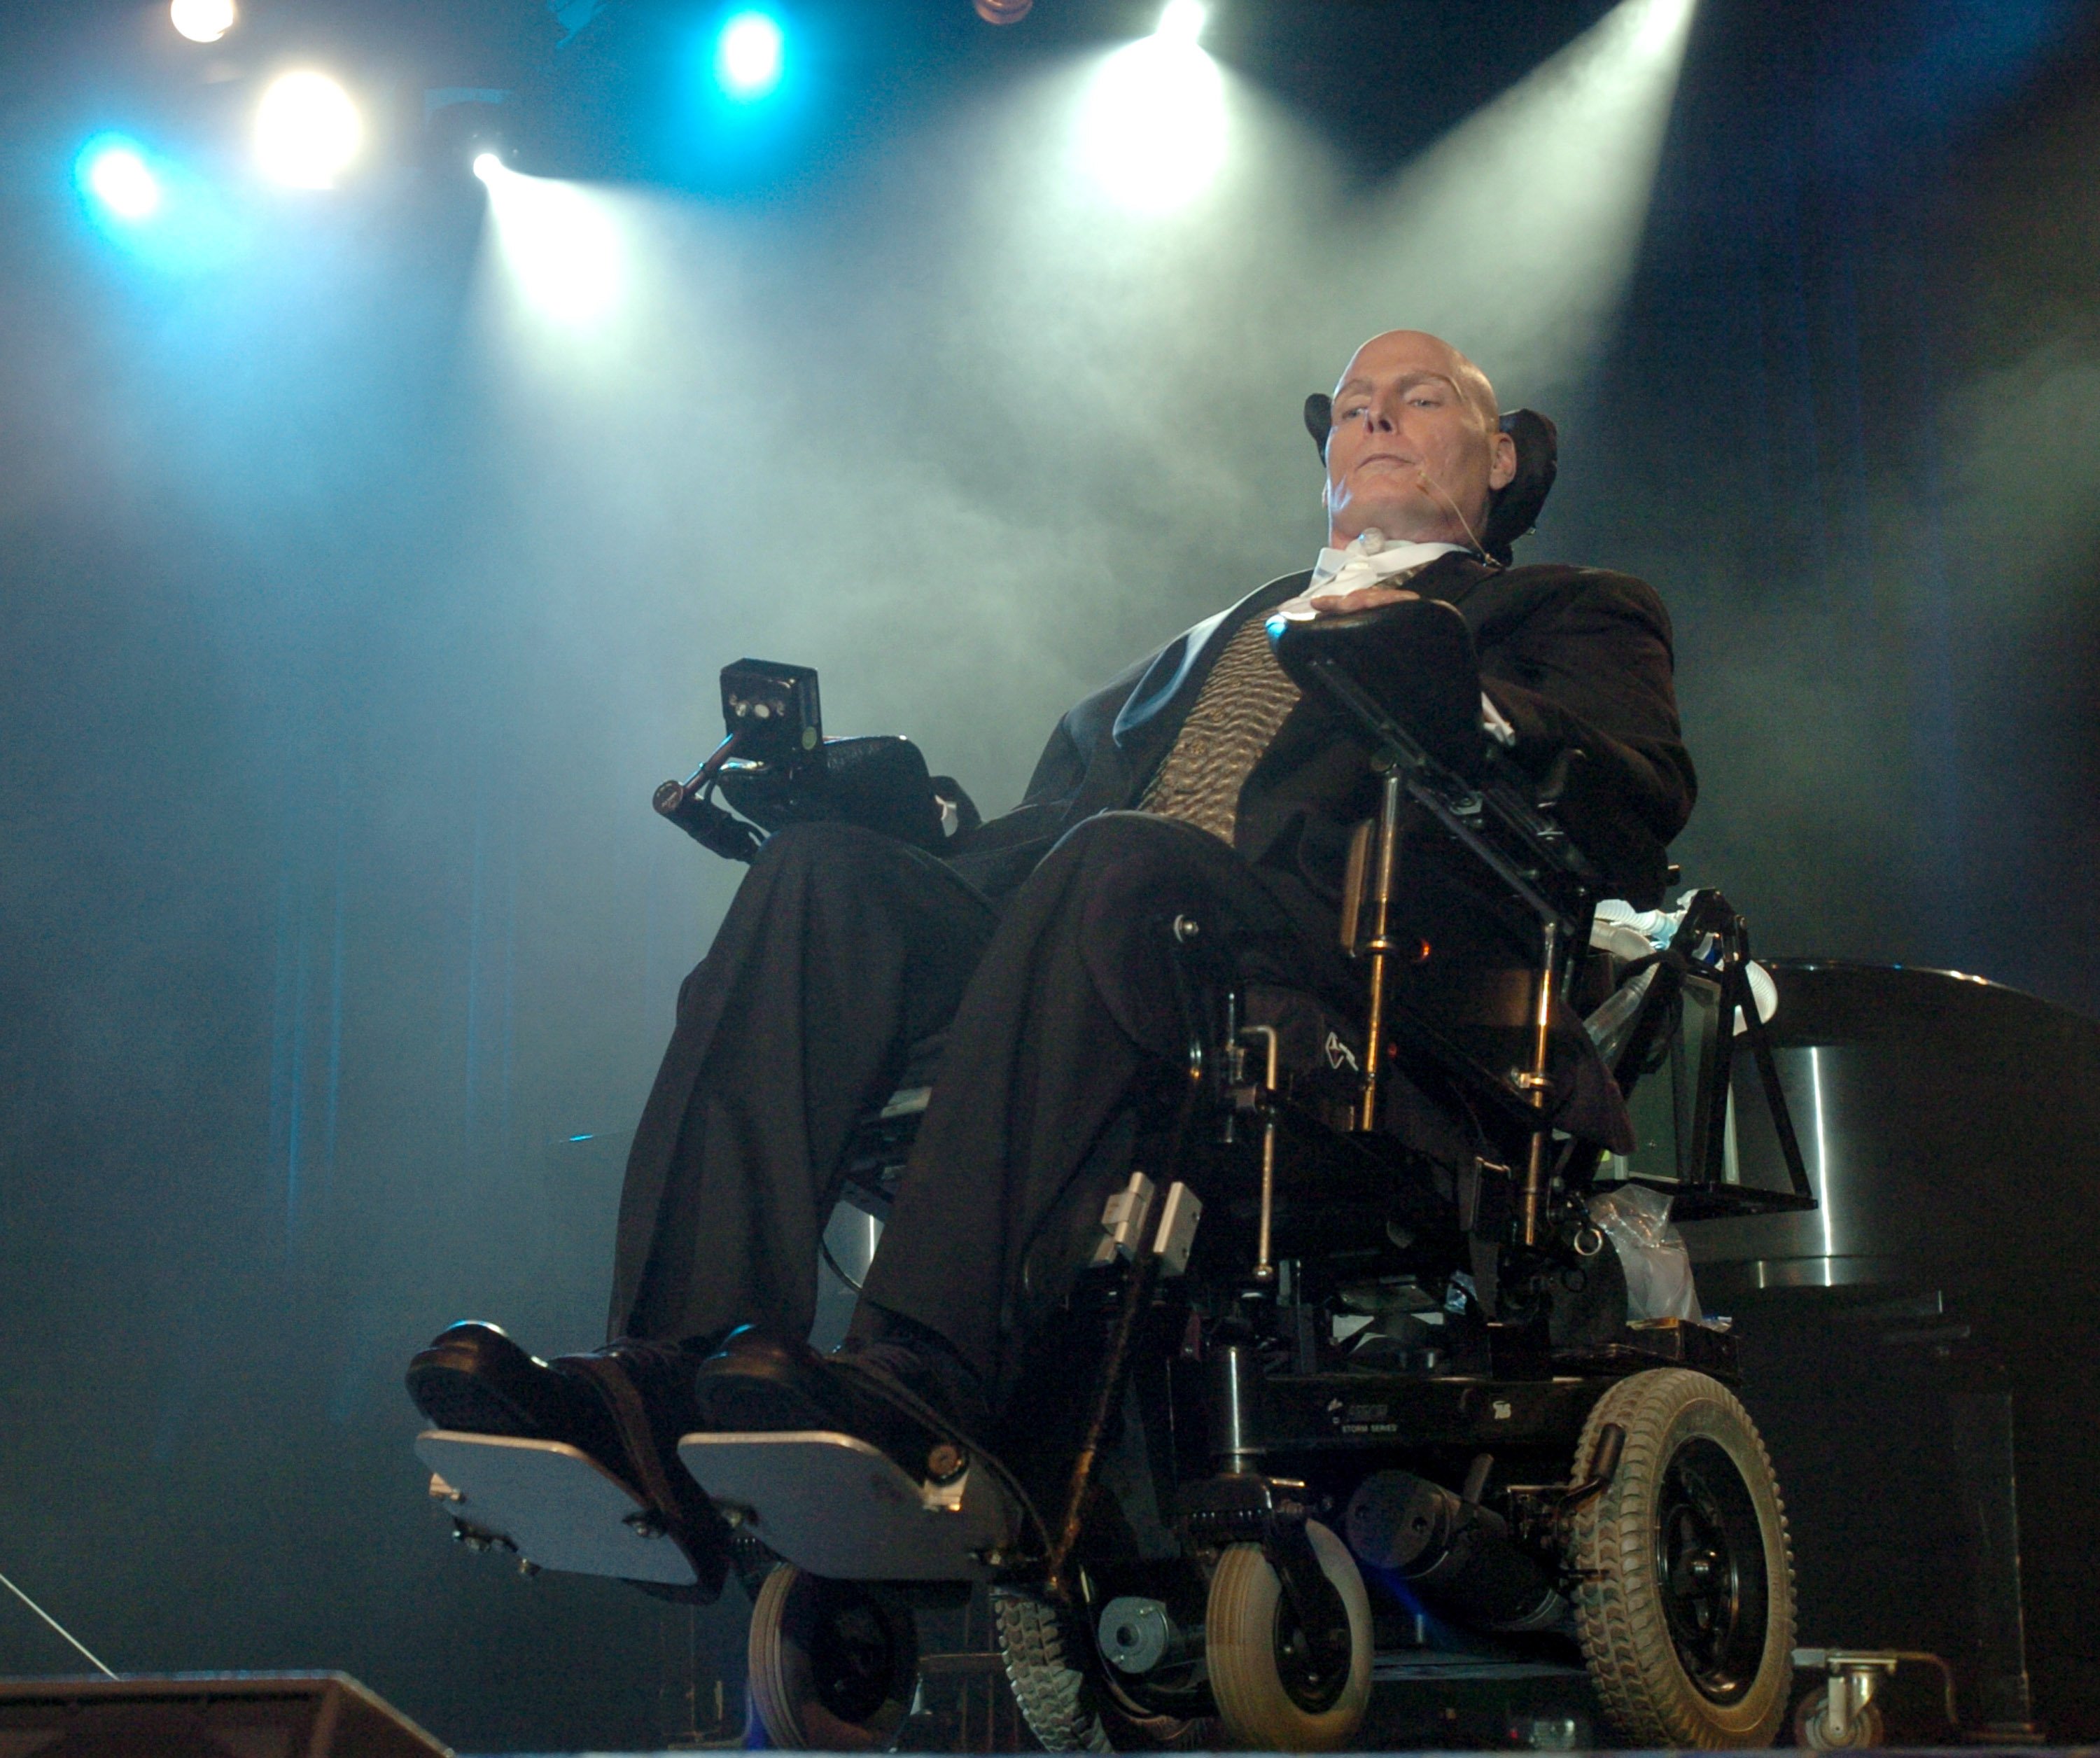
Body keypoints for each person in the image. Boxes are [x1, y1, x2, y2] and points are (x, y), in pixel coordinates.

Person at [405, 330, 1695, 1589]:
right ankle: (660, 1381)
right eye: (1357, 403)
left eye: (1420, 399)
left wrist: (1450, 693)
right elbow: (1037, 841)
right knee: (824, 879)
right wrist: (885, 818)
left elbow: (1631, 804)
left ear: (1506, 460)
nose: (1376, 418)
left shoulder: (1565, 614)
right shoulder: (1198, 649)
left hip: (1344, 987)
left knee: (1116, 862)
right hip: (1109, 921)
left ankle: (917, 1376)